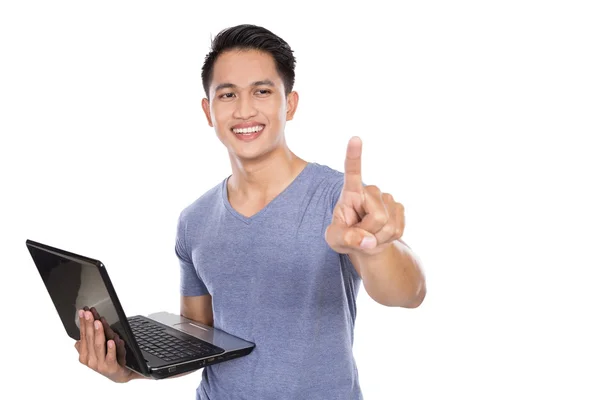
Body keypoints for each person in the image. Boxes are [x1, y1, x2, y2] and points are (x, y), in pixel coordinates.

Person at [74, 24, 427, 400]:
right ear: (209, 111)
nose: (244, 110)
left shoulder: (338, 200)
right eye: (228, 94)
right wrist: (128, 369)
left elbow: (410, 293)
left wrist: (374, 247)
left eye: (262, 91)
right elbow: (198, 337)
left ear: (289, 103)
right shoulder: (194, 220)